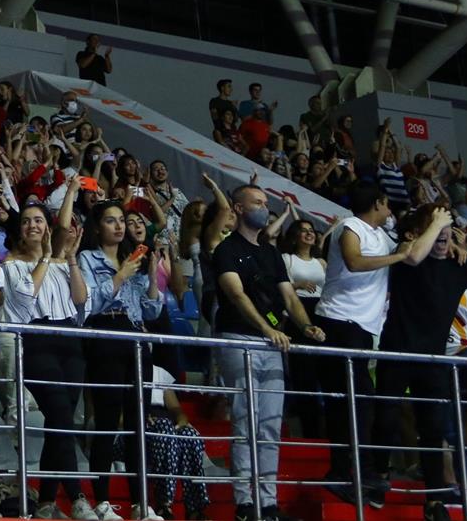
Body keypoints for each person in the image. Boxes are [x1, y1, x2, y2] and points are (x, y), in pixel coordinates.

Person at [367, 204, 467, 521]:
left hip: (434, 358)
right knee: (385, 418)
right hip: (397, 352)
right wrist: (437, 221)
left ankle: (434, 499)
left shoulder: (459, 265)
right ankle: (379, 476)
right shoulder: (405, 254)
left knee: (433, 429)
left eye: (447, 228)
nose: (444, 233)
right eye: (437, 226)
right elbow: (415, 254)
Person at [212, 184, 325, 521]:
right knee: (246, 423)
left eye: (265, 202)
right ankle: (245, 503)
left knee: (271, 427)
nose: (265, 207)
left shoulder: (271, 253)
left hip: (273, 343)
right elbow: (236, 295)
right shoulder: (226, 249)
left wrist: (305, 326)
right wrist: (267, 328)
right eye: (258, 202)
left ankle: (268, 502)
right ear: (239, 208)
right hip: (239, 338)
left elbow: (289, 297)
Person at [313, 185, 432, 505]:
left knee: (354, 403)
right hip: (339, 322)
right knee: (357, 402)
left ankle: (345, 473)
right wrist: (398, 255)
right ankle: (358, 472)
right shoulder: (350, 226)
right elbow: (354, 262)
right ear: (377, 203)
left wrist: (441, 232)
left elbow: (414, 251)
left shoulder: (383, 236)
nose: (390, 211)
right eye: (387, 204)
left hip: (362, 329)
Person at [0, 188, 94, 521]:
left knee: (60, 422)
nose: (33, 226)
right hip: (37, 341)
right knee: (61, 415)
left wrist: (71, 258)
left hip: (71, 342)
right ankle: (78, 496)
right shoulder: (12, 264)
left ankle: (46, 502)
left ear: (47, 226)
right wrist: (46, 258)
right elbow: (25, 297)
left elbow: (81, 301)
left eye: (38, 220)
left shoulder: (64, 262)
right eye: (26, 221)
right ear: (19, 229)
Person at [78, 199, 165, 521]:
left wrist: (152, 277)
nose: (118, 226)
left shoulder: (135, 259)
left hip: (136, 339)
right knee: (106, 421)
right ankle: (101, 501)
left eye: (121, 221)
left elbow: (151, 311)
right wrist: (120, 274)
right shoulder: (88, 258)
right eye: (110, 220)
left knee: (137, 424)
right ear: (97, 226)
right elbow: (88, 303)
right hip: (105, 335)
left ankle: (141, 502)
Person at [278, 219, 326, 438]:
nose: (309, 234)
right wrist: (298, 285)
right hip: (297, 315)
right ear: (295, 236)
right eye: (303, 231)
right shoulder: (287, 259)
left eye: (311, 230)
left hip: (320, 314)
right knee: (303, 373)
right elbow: (281, 287)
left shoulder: (321, 262)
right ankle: (309, 429)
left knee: (322, 371)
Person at [144, 365, 210, 521]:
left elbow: (175, 409)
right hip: (137, 426)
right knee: (165, 429)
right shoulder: (121, 369)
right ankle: (163, 505)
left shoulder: (158, 372)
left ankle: (195, 509)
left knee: (189, 435)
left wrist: (181, 419)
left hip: (164, 422)